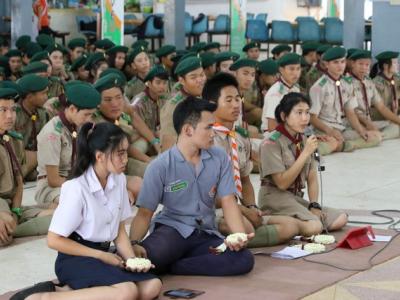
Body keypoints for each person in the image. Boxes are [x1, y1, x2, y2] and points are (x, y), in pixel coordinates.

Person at [13, 122, 162, 299]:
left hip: (104, 254)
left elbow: (119, 231)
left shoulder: (119, 180)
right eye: (119, 154)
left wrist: (131, 260)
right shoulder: (77, 188)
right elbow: (53, 240)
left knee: (152, 286)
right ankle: (45, 297)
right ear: (99, 156)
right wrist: (99, 255)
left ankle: (69, 290)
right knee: (127, 291)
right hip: (75, 258)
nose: (125, 159)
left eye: (126, 153)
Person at [130, 98, 255, 275]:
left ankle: (175, 266)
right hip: (172, 230)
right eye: (209, 127)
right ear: (188, 130)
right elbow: (144, 213)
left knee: (243, 259)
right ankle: (172, 261)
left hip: (205, 233)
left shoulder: (219, 158)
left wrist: (239, 236)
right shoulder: (160, 166)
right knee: (147, 257)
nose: (213, 133)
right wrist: (133, 244)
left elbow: (228, 201)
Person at [204, 73, 299, 247]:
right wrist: (243, 211)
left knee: (290, 226)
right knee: (245, 226)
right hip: (209, 208)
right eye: (229, 100)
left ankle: (240, 238)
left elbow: (245, 180)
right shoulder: (205, 138)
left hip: (236, 208)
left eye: (238, 99)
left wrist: (252, 207)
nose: (236, 105)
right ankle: (226, 237)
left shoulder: (240, 137)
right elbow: (205, 194)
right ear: (212, 104)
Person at [259, 92, 348, 235]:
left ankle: (294, 222)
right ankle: (276, 220)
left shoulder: (303, 139)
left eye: (307, 112)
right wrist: (305, 153)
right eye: (299, 113)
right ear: (284, 116)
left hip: (295, 198)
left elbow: (312, 176)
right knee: (315, 226)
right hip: (274, 198)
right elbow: (282, 183)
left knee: (340, 218)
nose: (305, 118)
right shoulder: (271, 143)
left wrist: (314, 204)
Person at [0, 87, 53, 247]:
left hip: (11, 205)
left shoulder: (14, 141)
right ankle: (9, 226)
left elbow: (19, 182)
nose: (10, 116)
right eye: (2, 110)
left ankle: (12, 226)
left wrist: (15, 212)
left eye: (13, 109)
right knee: (7, 223)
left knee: (63, 214)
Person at [35, 83, 101, 209]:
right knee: (79, 202)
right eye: (86, 114)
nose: (89, 119)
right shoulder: (52, 133)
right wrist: (83, 185)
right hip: (51, 188)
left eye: (91, 115)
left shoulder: (77, 125)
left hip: (74, 180)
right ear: (71, 109)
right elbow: (53, 180)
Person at [309, 47, 382, 154]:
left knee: (375, 136)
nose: (340, 66)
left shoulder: (347, 83)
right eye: (336, 62)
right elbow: (312, 118)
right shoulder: (319, 87)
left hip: (342, 127)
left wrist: (361, 131)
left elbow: (350, 111)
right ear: (327, 64)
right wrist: (330, 131)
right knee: (322, 147)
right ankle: (338, 145)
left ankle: (345, 145)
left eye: (342, 62)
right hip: (324, 129)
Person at [349, 50, 400, 140]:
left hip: (370, 121)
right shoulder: (347, 84)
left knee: (395, 126)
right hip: (354, 123)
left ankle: (380, 136)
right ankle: (377, 137)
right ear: (353, 64)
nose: (364, 68)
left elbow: (382, 107)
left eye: (367, 65)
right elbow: (352, 112)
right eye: (360, 64)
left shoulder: (369, 82)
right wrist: (369, 124)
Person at [160, 56, 206, 151]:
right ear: (181, 80)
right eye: (193, 77)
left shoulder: (202, 97)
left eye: (202, 75)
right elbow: (168, 146)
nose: (200, 80)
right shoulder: (173, 107)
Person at [14, 74, 49, 180]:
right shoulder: (15, 114)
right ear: (29, 97)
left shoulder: (42, 113)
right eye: (43, 94)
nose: (46, 97)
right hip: (18, 159)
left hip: (37, 160)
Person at [261, 53, 301, 132]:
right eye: (291, 69)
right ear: (281, 70)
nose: (296, 73)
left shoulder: (295, 88)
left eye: (298, 69)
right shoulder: (276, 93)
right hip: (275, 136)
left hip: (291, 131)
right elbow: (272, 127)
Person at [132, 65, 168, 148]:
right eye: (158, 83)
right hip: (143, 138)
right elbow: (134, 129)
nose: (162, 86)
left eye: (165, 83)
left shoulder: (165, 98)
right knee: (141, 145)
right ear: (148, 83)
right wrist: (155, 133)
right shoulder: (139, 101)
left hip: (160, 136)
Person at [371, 51, 400, 119]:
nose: (398, 65)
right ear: (385, 66)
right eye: (395, 63)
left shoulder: (397, 79)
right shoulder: (376, 83)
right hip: (382, 119)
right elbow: (380, 108)